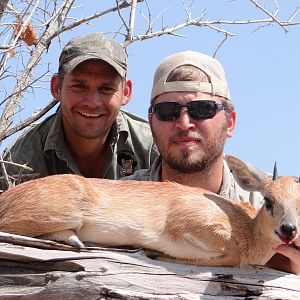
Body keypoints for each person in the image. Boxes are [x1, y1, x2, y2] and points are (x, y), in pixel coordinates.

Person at [123, 50, 300, 275]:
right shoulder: (123, 197)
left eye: (203, 109)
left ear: (230, 122)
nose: (184, 123)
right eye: (167, 111)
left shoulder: (268, 206)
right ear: (150, 122)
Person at [1, 33, 158, 188]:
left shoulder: (153, 149)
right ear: (56, 87)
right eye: (79, 87)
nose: (92, 102)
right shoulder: (19, 161)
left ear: (126, 92)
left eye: (106, 88)